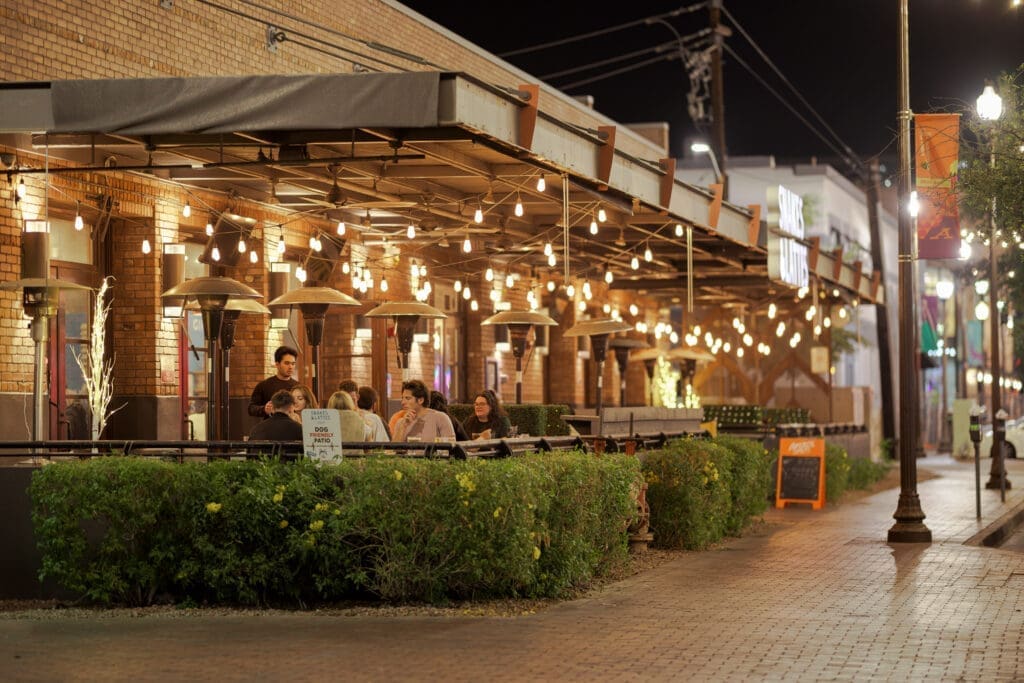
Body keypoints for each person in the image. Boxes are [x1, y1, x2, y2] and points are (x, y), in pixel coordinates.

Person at [248, 346, 299, 419]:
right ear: (277, 364)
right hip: (271, 426)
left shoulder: (298, 386)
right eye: (287, 363)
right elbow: (251, 409)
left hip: (293, 426)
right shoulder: (265, 385)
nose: (290, 367)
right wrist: (264, 409)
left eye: (293, 364)